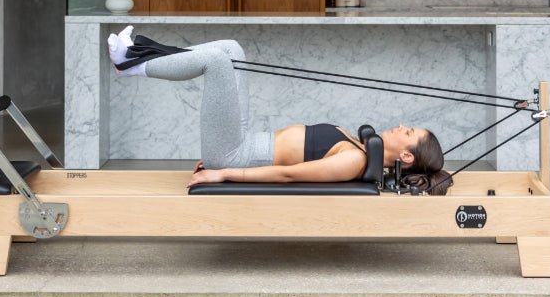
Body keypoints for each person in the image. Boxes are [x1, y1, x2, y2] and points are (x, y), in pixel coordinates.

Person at [107, 26, 453, 195]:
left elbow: (288, 175)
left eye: (408, 133)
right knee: (231, 50)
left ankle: (133, 63)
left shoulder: (354, 160)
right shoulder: (360, 148)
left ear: (407, 157)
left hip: (236, 154)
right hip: (240, 142)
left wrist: (222, 173)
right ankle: (139, 57)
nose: (402, 126)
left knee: (216, 61)